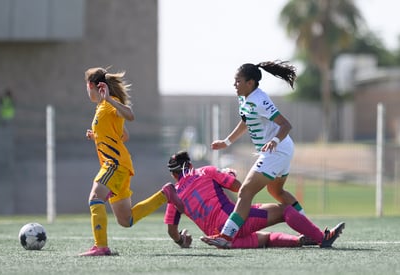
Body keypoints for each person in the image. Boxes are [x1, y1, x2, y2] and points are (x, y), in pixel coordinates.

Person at [201, 60, 312, 248]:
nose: (234, 85)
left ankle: (226, 236)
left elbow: (286, 125)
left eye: (238, 81)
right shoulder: (244, 98)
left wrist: (273, 141)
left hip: (277, 150)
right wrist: (226, 142)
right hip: (278, 150)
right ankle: (310, 231)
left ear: (250, 83)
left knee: (246, 191)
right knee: (276, 191)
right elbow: (246, 121)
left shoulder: (260, 100)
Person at [80, 67, 184, 256]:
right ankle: (165, 194)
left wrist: (110, 99)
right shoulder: (102, 108)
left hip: (114, 164)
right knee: (125, 220)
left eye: (86, 86)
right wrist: (98, 136)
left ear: (91, 85)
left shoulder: (110, 103)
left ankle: (101, 247)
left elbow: (130, 115)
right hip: (118, 164)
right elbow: (123, 135)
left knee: (95, 198)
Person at [164, 151, 344, 249]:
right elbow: (240, 189)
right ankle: (321, 237)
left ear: (173, 174)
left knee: (265, 239)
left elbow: (172, 230)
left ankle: (300, 240)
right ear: (190, 165)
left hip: (218, 239)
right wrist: (230, 174)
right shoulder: (205, 172)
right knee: (284, 210)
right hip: (233, 223)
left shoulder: (175, 194)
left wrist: (182, 241)